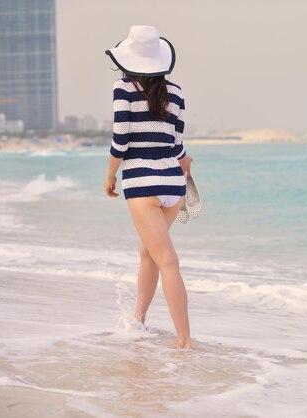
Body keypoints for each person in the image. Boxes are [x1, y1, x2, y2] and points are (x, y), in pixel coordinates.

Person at [102, 25, 193, 349]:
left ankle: (185, 341)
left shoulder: (123, 88)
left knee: (167, 260)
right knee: (149, 253)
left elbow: (121, 138)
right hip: (172, 183)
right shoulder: (178, 91)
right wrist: (184, 160)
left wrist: (110, 175)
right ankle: (138, 321)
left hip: (143, 183)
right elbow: (177, 143)